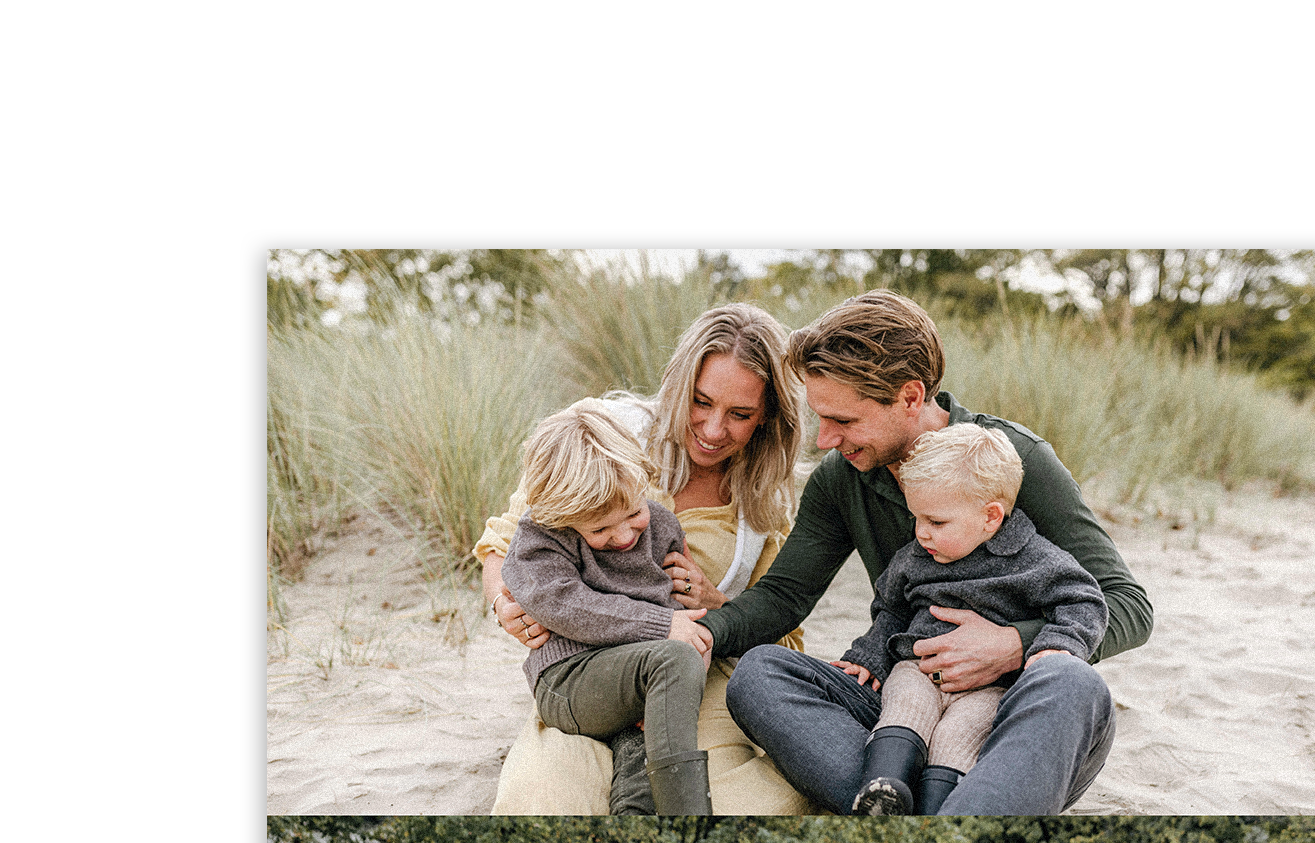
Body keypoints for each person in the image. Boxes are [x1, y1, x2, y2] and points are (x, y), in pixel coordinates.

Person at [698, 290, 1153, 813]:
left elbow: (1128, 605)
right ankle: (901, 798)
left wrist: (1014, 644)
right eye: (820, 418)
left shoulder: (1012, 459)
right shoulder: (842, 478)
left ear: (910, 397)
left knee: (1072, 682)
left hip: (1007, 721)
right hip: (904, 707)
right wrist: (704, 632)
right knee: (760, 674)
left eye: (844, 420)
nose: (825, 439)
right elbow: (784, 596)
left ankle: (944, 802)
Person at [478, 303, 811, 813]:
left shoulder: (765, 503)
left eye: (740, 414)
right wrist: (504, 603)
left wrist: (719, 604)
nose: (713, 429)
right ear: (678, 385)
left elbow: (785, 635)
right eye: (700, 401)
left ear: (767, 415)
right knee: (543, 802)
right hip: (585, 671)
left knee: (760, 805)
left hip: (696, 683)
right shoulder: (600, 438)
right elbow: (505, 543)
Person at [832, 422, 1107, 814]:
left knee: (959, 733)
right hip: (918, 668)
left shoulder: (1035, 560)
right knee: (905, 704)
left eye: (936, 522)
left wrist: (1056, 646)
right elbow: (891, 610)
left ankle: (935, 806)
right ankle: (884, 785)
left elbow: (1084, 600)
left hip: (989, 687)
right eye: (915, 518)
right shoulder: (915, 558)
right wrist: (868, 657)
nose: (921, 533)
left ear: (990, 517)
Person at [497, 401, 716, 813]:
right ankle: (690, 814)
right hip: (570, 679)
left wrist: (695, 649)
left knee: (643, 760)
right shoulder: (540, 538)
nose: (624, 535)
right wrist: (662, 627)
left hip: (638, 678)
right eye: (599, 528)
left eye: (634, 512)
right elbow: (563, 603)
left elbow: (672, 604)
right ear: (559, 516)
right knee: (672, 658)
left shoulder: (662, 525)